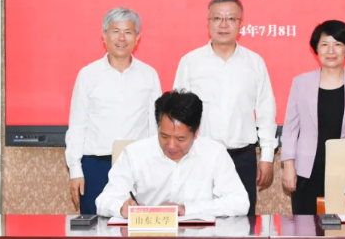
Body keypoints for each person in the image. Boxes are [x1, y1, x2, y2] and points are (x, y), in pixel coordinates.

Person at [174, 0, 277, 216]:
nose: (223, 25)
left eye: (231, 19)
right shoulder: (190, 62)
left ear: (240, 24)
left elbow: (266, 112)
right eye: (217, 18)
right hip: (199, 158)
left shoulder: (254, 63)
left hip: (243, 158)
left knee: (243, 221)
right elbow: (178, 116)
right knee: (197, 219)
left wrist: (267, 156)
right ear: (208, 22)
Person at [64, 7, 162, 215]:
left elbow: (155, 125)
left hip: (137, 165)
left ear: (137, 37)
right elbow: (77, 126)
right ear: (104, 35)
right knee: (94, 227)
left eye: (128, 32)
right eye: (115, 31)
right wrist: (75, 169)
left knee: (136, 226)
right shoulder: (88, 75)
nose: (121, 38)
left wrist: (156, 166)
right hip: (96, 165)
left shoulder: (149, 75)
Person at [95, 90, 249, 219]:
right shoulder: (135, 154)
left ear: (196, 133)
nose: (171, 145)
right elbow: (103, 201)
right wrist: (121, 208)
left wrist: (187, 209)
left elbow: (240, 202)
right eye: (164, 136)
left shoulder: (214, 153)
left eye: (180, 139)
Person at [281, 20, 345, 215]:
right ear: (316, 49)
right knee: (306, 226)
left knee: (342, 227)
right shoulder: (301, 83)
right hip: (308, 170)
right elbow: (290, 129)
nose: (331, 51)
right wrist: (288, 165)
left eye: (337, 44)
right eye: (324, 44)